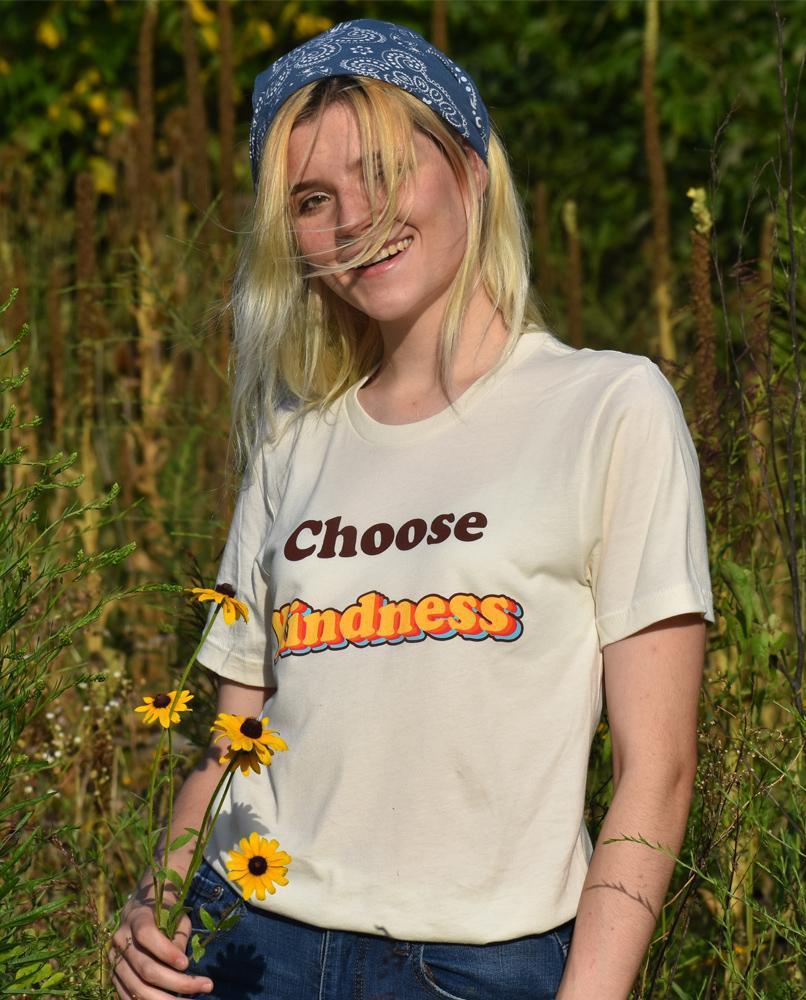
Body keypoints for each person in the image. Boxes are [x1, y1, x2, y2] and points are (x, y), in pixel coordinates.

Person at [109, 17, 714, 1000]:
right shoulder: (291, 448)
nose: (355, 217)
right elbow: (233, 746)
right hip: (245, 941)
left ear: (471, 171)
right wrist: (157, 902)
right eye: (313, 198)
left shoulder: (608, 406)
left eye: (384, 169)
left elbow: (660, 771)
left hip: (474, 966)